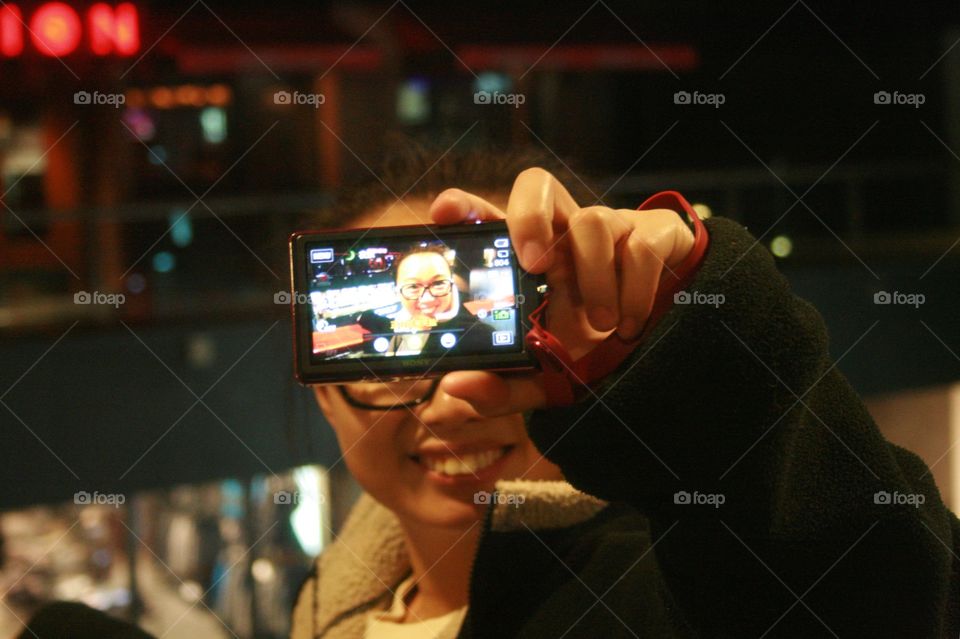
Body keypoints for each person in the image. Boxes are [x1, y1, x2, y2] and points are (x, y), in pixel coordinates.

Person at [291, 141, 960, 638]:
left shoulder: (675, 582)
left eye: (506, 359)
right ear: (325, 394)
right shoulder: (328, 609)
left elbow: (883, 600)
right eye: (398, 373)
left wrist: (711, 350)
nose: (449, 403)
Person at [385, 244, 495, 356]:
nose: (427, 299)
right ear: (397, 292)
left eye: (438, 283)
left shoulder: (477, 335)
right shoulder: (401, 324)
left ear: (452, 287)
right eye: (413, 287)